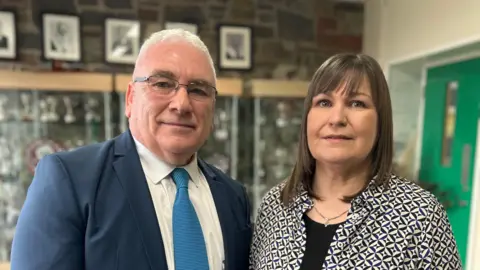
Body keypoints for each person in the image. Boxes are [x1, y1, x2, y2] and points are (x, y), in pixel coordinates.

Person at [10, 29, 252, 270]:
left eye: (198, 90)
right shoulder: (70, 182)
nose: (181, 104)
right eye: (162, 84)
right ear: (130, 99)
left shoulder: (232, 198)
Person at [249, 53, 462, 269]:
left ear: (380, 121)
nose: (336, 118)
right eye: (324, 102)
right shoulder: (275, 206)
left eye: (357, 103)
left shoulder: (421, 216)